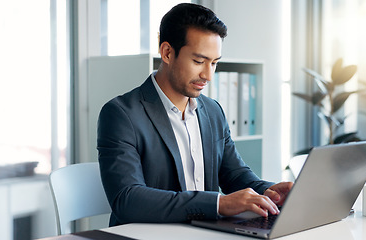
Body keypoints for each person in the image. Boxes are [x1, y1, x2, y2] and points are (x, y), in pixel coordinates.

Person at [97, 3, 292, 226]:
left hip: (203, 233)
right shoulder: (121, 114)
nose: (208, 75)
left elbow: (234, 174)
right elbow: (128, 200)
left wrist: (267, 191)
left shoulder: (212, 111)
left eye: (214, 63)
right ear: (167, 52)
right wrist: (218, 204)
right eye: (198, 61)